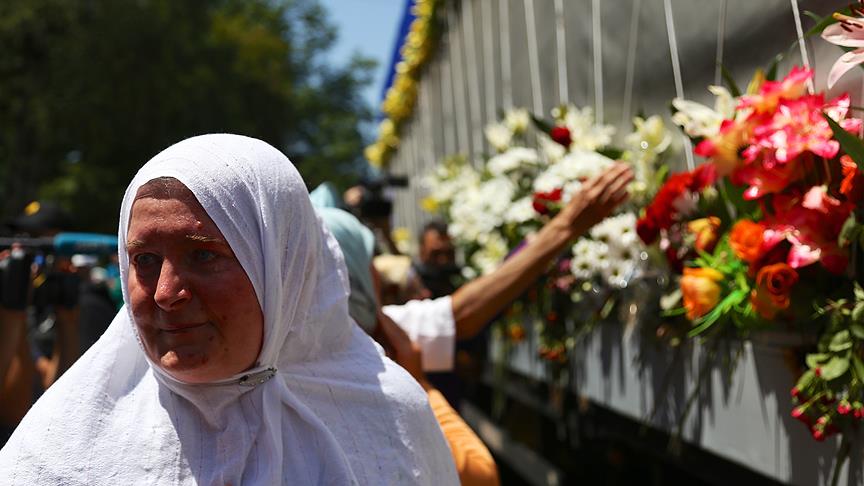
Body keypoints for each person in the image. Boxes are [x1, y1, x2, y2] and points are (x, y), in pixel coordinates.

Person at [0, 134, 458, 484]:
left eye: (203, 254)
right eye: (145, 260)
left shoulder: (392, 424)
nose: (165, 293)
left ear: (283, 269)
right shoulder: (62, 451)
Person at [315, 205, 500, 486]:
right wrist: (419, 384)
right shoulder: (373, 383)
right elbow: (479, 475)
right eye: (370, 261)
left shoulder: (275, 368)